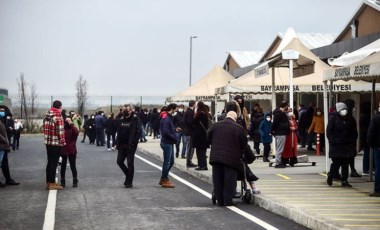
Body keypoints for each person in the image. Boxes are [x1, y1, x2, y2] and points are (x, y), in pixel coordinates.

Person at [207, 111, 248, 206]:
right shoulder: (238, 128)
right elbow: (244, 143)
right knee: (229, 180)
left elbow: (208, 137)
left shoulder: (215, 125)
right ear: (235, 118)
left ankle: (220, 201)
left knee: (217, 179)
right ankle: (228, 201)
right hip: (231, 158)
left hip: (216, 157)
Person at [326, 102, 357, 187]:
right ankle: (331, 175)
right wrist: (333, 141)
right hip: (336, 145)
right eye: (342, 110)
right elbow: (329, 132)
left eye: (345, 110)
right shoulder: (333, 118)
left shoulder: (350, 119)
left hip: (347, 145)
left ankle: (344, 180)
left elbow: (354, 132)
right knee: (336, 162)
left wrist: (352, 140)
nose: (344, 112)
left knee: (345, 163)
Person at [115, 104, 141, 188]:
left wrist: (134, 142)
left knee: (130, 163)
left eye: (128, 110)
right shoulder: (121, 119)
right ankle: (128, 174)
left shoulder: (135, 119)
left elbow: (139, 131)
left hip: (131, 145)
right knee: (119, 161)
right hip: (121, 144)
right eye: (124, 110)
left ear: (131, 110)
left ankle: (129, 181)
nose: (126, 111)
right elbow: (118, 131)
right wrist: (117, 143)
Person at [43, 100, 65, 190]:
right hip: (56, 142)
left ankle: (48, 181)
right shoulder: (58, 116)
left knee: (49, 162)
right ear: (60, 107)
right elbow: (60, 131)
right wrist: (62, 142)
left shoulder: (46, 115)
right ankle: (52, 183)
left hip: (48, 142)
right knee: (54, 163)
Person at [159, 103, 178, 188]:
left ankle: (163, 177)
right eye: (176, 109)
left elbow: (168, 129)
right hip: (167, 142)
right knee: (167, 162)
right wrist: (174, 137)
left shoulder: (167, 117)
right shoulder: (166, 118)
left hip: (169, 142)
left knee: (171, 161)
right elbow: (166, 132)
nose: (176, 111)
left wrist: (174, 129)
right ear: (172, 109)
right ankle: (165, 179)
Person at [0, 106, 20, 187]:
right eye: (1, 110)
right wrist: (5, 140)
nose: (2, 112)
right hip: (2, 144)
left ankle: (8, 179)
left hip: (3, 146)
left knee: (5, 163)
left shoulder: (2, 120)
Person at [344, 99, 361, 178]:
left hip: (349, 140)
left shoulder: (347, 115)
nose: (354, 108)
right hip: (349, 141)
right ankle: (351, 171)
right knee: (349, 157)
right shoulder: (349, 117)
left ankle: (352, 170)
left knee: (349, 157)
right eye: (353, 106)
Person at [60, 117, 79, 187]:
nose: (68, 122)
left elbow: (76, 133)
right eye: (67, 120)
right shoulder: (62, 128)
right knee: (63, 166)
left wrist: (71, 125)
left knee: (73, 165)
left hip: (71, 149)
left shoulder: (73, 128)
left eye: (69, 120)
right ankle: (62, 180)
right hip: (64, 149)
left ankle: (75, 180)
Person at [271, 101, 290, 168]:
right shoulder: (279, 113)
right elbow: (275, 123)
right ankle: (278, 163)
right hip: (281, 133)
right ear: (285, 106)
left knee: (278, 148)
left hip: (279, 132)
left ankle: (278, 162)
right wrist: (272, 130)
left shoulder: (280, 113)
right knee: (280, 149)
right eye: (287, 106)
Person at [192, 101, 209, 171]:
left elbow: (193, 121)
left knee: (199, 151)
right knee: (202, 151)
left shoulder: (200, 114)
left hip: (199, 136)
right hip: (203, 135)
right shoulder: (205, 113)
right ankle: (203, 165)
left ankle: (202, 165)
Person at [367, 103, 380, 197]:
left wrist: (372, 145)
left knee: (378, 169)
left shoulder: (376, 118)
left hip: (378, 147)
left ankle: (378, 190)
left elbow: (371, 133)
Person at [183, 100, 197, 167]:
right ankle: (189, 162)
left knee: (190, 147)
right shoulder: (189, 112)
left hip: (188, 131)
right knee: (190, 147)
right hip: (190, 132)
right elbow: (189, 122)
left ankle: (189, 161)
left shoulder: (188, 111)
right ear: (194, 104)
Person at [360, 102, 372, 176]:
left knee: (367, 153)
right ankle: (366, 169)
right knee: (367, 154)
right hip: (366, 137)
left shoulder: (363, 116)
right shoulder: (366, 117)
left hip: (364, 137)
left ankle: (367, 168)